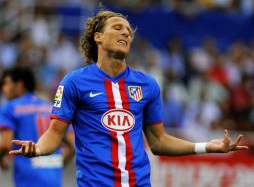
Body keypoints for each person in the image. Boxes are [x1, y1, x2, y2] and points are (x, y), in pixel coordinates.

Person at [9, 10, 248, 187]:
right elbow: (54, 134)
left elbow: (159, 141)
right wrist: (37, 149)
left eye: (128, 30)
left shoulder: (148, 85)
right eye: (117, 27)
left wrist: (206, 146)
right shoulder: (74, 82)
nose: (125, 32)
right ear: (98, 37)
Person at [0, 66, 75, 187]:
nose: (4, 89)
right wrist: (56, 164)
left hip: (27, 180)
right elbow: (73, 144)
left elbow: (4, 145)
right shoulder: (51, 107)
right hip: (54, 181)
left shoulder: (10, 108)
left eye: (7, 84)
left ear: (19, 85)